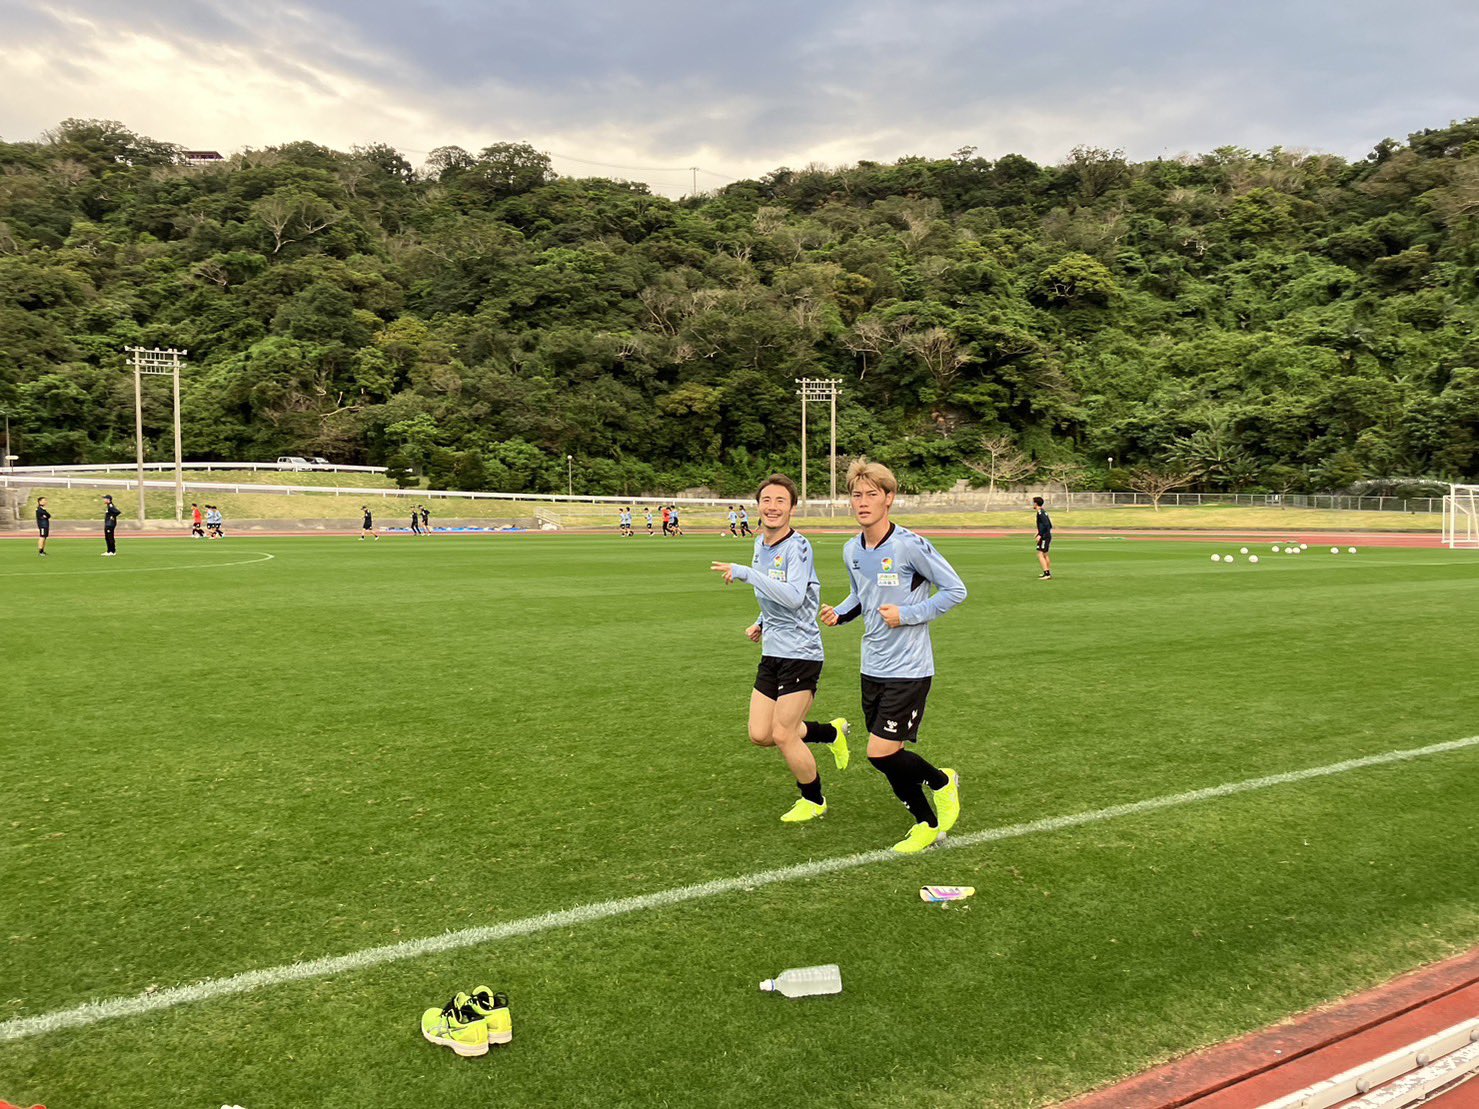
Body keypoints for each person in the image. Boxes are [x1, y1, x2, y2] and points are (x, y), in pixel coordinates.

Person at [820, 460, 967, 854]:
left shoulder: (909, 545)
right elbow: (860, 595)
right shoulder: (851, 549)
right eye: (857, 495)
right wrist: (839, 613)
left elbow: (955, 590)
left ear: (889, 498)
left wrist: (908, 614)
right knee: (890, 754)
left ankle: (934, 804)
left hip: (910, 668)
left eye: (872, 494)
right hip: (872, 666)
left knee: (879, 752)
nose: (863, 502)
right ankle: (933, 801)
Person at [711, 473, 849, 823]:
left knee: (784, 733)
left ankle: (814, 800)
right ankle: (830, 733)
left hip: (801, 653)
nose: (772, 507)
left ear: (792, 508)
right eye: (767, 500)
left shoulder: (798, 547)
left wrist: (746, 573)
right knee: (760, 735)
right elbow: (771, 592)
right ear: (758, 506)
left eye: (780, 501)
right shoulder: (761, 544)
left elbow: (793, 596)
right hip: (772, 651)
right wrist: (760, 621)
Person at [1033, 496, 1053, 579]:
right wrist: (1038, 532)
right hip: (1046, 535)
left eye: (1033, 502)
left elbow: (1047, 525)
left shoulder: (1040, 512)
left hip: (1044, 537)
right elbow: (1049, 525)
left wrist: (1041, 534)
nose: (1033, 504)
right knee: (1045, 554)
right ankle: (1047, 572)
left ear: (1036, 503)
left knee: (1040, 554)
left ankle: (1047, 574)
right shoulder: (1043, 512)